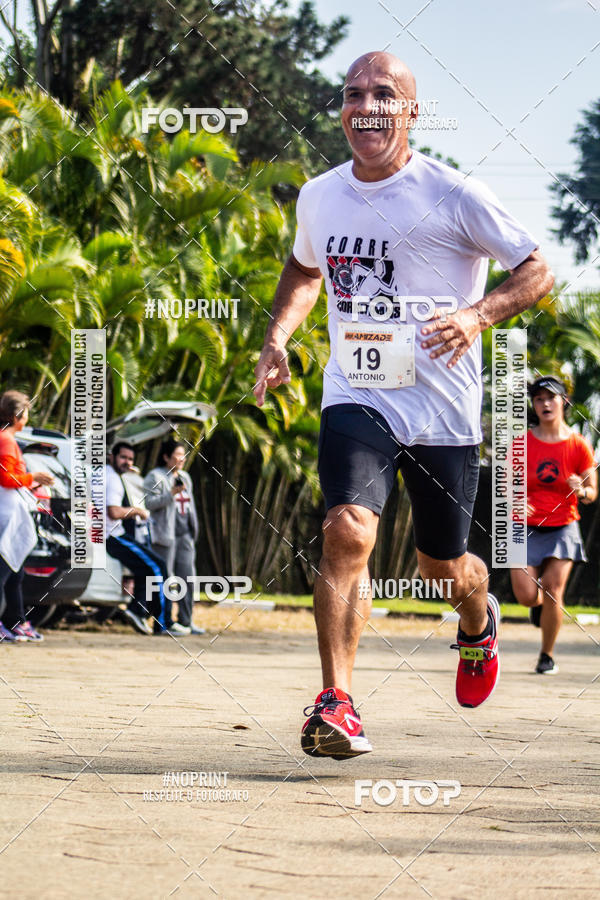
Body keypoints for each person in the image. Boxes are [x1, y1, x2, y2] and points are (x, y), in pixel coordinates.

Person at [254, 51, 554, 759]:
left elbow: (536, 269)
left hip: (442, 414)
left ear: (411, 111)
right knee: (348, 529)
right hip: (358, 397)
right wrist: (278, 336)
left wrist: (478, 316)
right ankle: (338, 701)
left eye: (383, 93)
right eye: (353, 94)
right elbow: (304, 267)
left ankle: (477, 620)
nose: (367, 105)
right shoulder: (320, 196)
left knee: (442, 570)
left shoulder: (455, 194)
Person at [510, 376, 597, 675]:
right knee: (525, 595)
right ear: (534, 405)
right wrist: (514, 502)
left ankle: (546, 655)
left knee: (553, 589)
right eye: (539, 399)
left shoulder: (578, 444)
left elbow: (592, 491)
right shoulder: (521, 443)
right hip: (525, 527)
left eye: (551, 398)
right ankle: (538, 606)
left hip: (563, 526)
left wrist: (581, 490)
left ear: (564, 401)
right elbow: (506, 486)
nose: (545, 404)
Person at [0, 390, 54, 643]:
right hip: (7, 515)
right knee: (4, 570)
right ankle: (13, 620)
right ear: (17, 415)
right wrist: (35, 478)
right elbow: (6, 478)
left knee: (15, 571)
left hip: (12, 510)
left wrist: (29, 484)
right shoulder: (7, 440)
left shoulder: (7, 439)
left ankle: (16, 619)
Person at [105, 441, 171, 635]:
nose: (127, 462)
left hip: (112, 535)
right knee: (158, 566)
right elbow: (114, 512)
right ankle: (163, 623)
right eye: (123, 457)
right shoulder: (113, 479)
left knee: (146, 569)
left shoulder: (108, 475)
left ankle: (137, 612)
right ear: (112, 457)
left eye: (131, 459)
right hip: (114, 536)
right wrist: (138, 511)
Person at [144, 438, 205, 635]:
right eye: (177, 455)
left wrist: (194, 529)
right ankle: (164, 622)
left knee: (187, 578)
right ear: (166, 457)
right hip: (165, 536)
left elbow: (190, 505)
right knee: (167, 580)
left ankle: (186, 621)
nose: (182, 459)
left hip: (185, 535)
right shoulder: (155, 476)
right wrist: (170, 494)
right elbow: (149, 503)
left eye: (183, 455)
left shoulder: (186, 477)